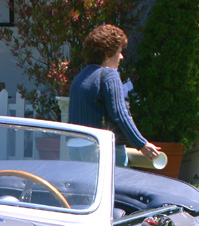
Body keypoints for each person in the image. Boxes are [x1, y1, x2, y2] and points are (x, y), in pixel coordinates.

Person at [68, 24, 160, 165]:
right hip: (100, 147)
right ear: (107, 54)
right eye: (119, 51)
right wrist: (142, 144)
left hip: (75, 147)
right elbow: (120, 114)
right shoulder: (109, 75)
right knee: (114, 187)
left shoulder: (80, 77)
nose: (121, 57)